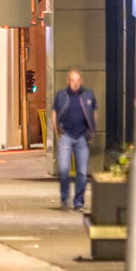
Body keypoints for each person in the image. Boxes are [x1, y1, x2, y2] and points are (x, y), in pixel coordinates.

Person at [51, 69, 97, 210]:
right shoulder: (61, 95)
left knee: (82, 172)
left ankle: (78, 202)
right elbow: (54, 113)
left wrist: (92, 130)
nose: (75, 83)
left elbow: (94, 112)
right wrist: (57, 131)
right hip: (66, 136)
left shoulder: (88, 95)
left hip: (82, 137)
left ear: (81, 81)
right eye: (72, 80)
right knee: (64, 169)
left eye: (78, 80)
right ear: (68, 81)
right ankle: (65, 198)